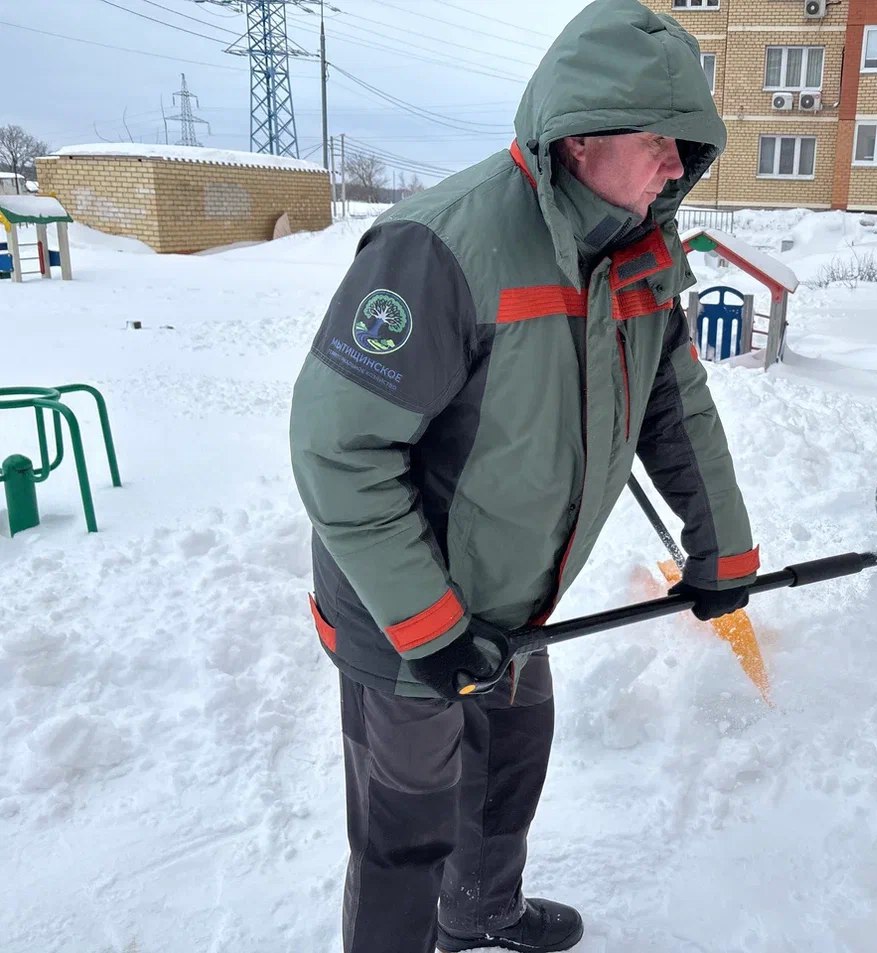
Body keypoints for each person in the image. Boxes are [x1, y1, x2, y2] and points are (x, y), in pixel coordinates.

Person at [289, 1, 758, 950]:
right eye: (661, 141)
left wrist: (723, 548)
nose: (679, 165)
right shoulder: (441, 247)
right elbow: (339, 453)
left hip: (519, 596)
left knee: (506, 774)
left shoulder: (635, 253)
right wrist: (428, 627)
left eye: (688, 144)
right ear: (579, 139)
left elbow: (675, 409)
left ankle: (481, 914)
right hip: (405, 614)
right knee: (407, 829)